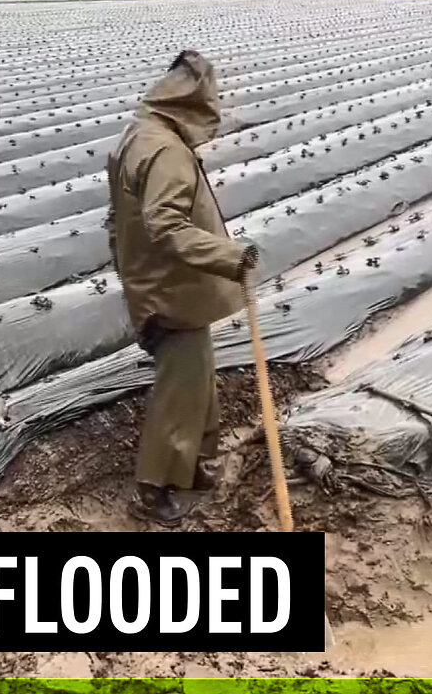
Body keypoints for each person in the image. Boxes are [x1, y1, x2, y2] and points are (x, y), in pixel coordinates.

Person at [105, 50, 259, 528]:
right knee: (180, 391)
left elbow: (120, 218)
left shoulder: (140, 133)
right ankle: (158, 490)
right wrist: (232, 258)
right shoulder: (167, 152)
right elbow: (167, 226)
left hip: (155, 282)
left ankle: (198, 468)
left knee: (196, 381)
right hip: (171, 290)